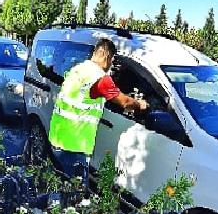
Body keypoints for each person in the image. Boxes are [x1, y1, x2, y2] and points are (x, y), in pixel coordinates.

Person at [48, 38, 148, 183]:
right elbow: (125, 102)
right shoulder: (100, 78)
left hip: (57, 138)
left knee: (60, 185)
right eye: (112, 61)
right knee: (74, 193)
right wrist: (140, 104)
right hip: (74, 147)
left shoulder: (79, 69)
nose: (111, 65)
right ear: (108, 57)